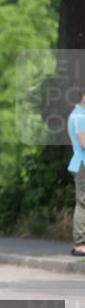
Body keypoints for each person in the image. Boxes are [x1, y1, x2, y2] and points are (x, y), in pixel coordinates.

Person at [68, 91, 85, 256]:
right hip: (82, 165)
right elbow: (84, 143)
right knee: (83, 203)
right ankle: (80, 244)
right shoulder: (80, 116)